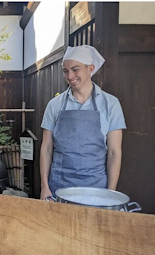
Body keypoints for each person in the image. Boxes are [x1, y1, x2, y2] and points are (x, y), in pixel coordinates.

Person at [39, 45, 126, 200]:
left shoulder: (110, 104)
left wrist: (110, 194)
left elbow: (114, 152)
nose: (70, 76)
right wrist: (45, 187)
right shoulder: (54, 104)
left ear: (90, 68)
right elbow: (46, 147)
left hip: (96, 187)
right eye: (65, 71)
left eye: (75, 69)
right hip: (59, 185)